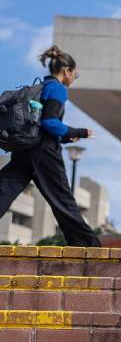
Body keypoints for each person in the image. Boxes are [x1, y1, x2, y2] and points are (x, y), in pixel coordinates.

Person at [0, 46, 99, 247]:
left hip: (26, 147)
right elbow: (50, 122)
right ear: (66, 71)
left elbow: (41, 123)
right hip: (44, 153)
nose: (74, 79)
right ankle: (89, 248)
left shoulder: (42, 86)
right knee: (63, 200)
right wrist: (79, 132)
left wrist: (66, 138)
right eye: (75, 74)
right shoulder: (58, 88)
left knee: (4, 189)